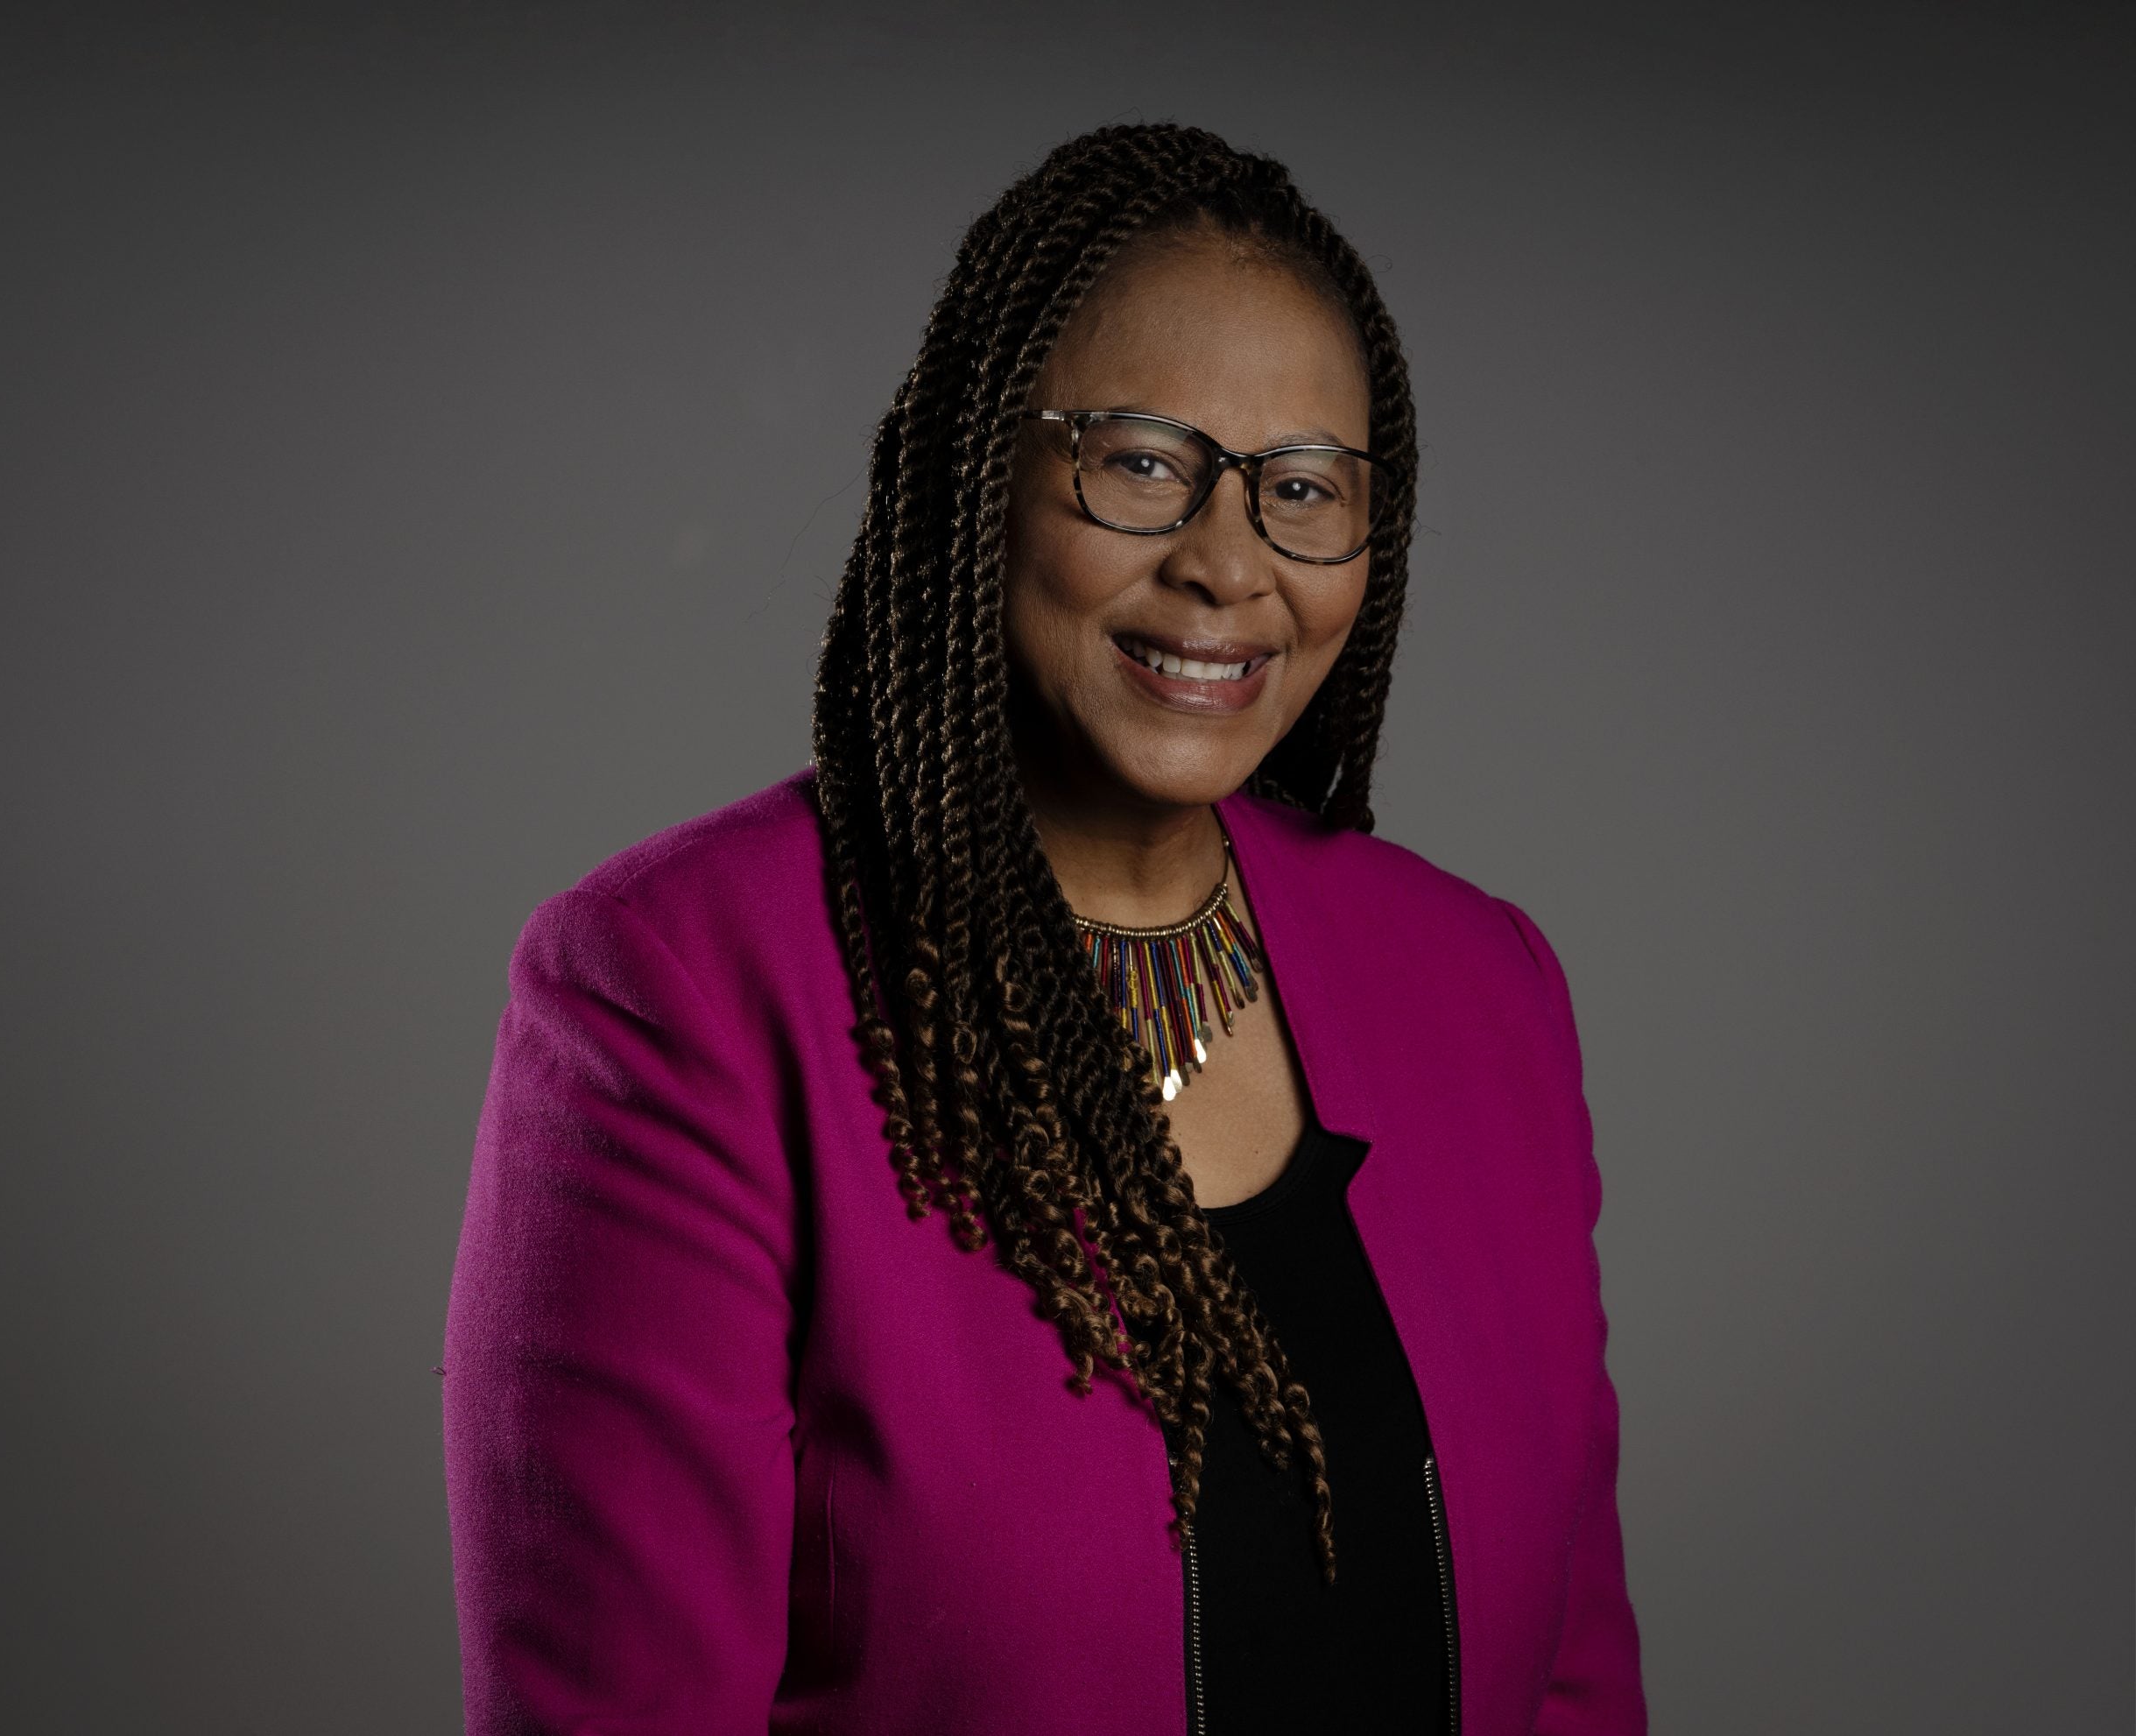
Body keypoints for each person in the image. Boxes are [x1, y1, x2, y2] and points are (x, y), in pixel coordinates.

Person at [441, 122, 1646, 1735]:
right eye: (1142, 461)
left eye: (1302, 489)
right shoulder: (683, 991)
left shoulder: (1483, 987)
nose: (1227, 564)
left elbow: (1573, 1689)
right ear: (975, 467)